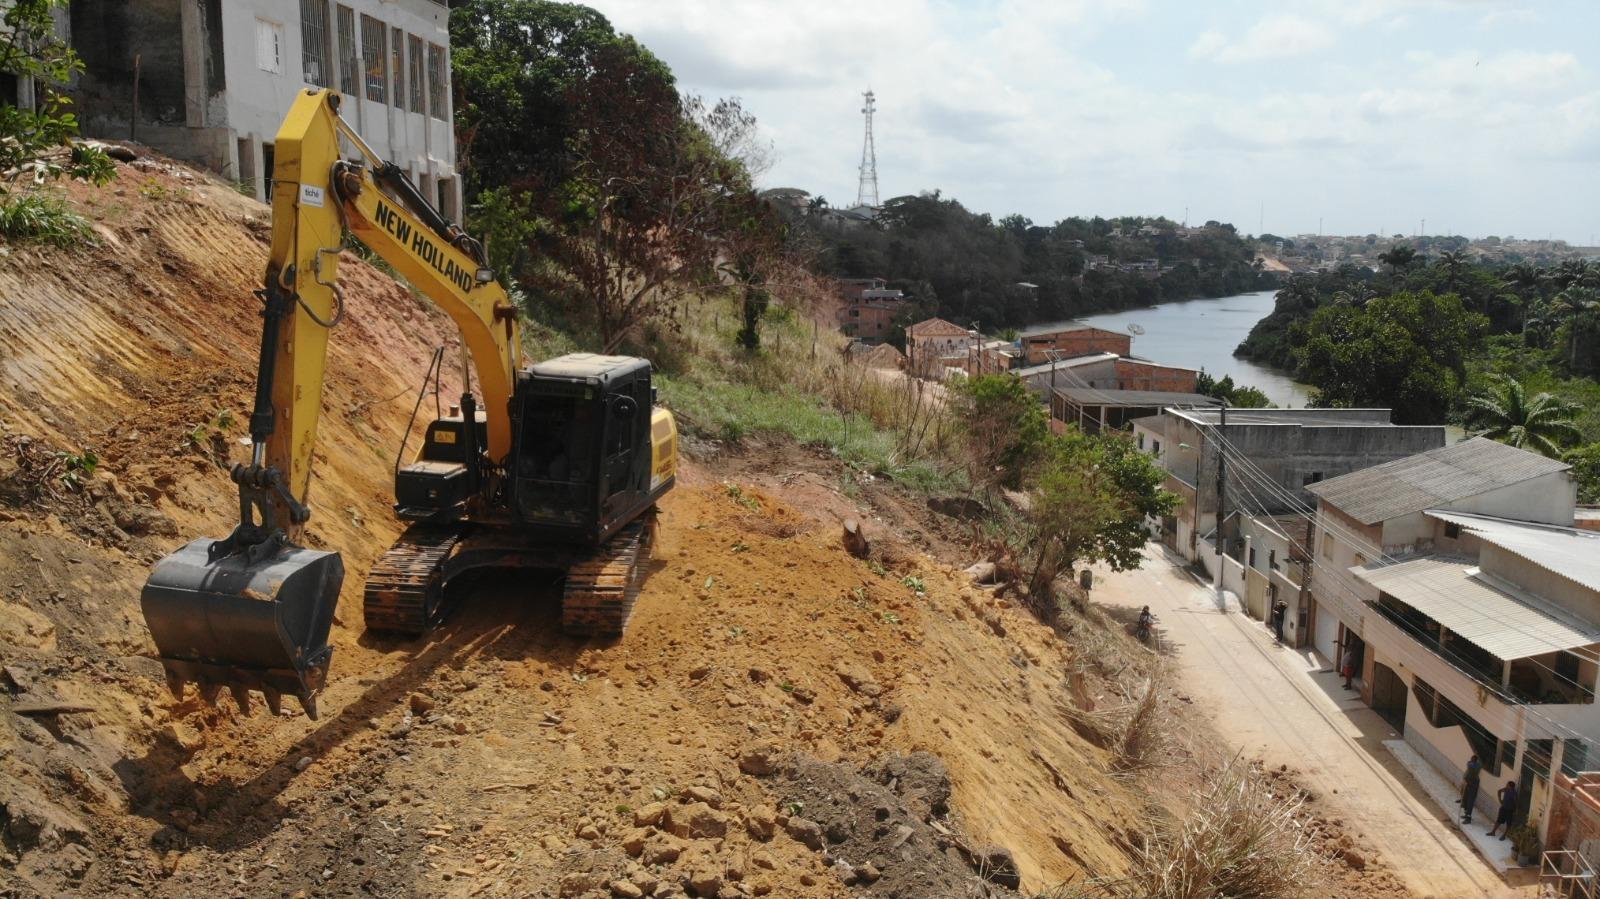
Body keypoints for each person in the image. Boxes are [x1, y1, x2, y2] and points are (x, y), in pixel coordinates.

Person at [1459, 754, 1481, 824]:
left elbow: (1473, 769)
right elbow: (1469, 765)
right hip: (1468, 783)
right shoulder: (1470, 763)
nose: (1471, 760)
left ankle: (1468, 818)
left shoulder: (1478, 766)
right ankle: (1466, 814)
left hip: (1473, 784)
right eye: (1471, 758)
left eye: (1473, 759)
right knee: (1465, 798)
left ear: (1476, 760)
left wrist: (1472, 766)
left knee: (1470, 801)